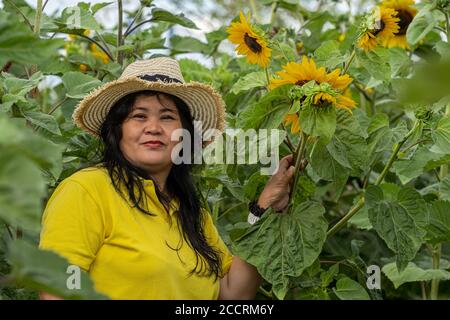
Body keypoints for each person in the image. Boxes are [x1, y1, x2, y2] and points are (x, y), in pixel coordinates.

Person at [39, 57, 295, 300]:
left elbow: (232, 292)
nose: (153, 127)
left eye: (167, 117)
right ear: (116, 130)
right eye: (139, 116)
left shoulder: (192, 213)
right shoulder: (87, 190)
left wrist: (265, 206)